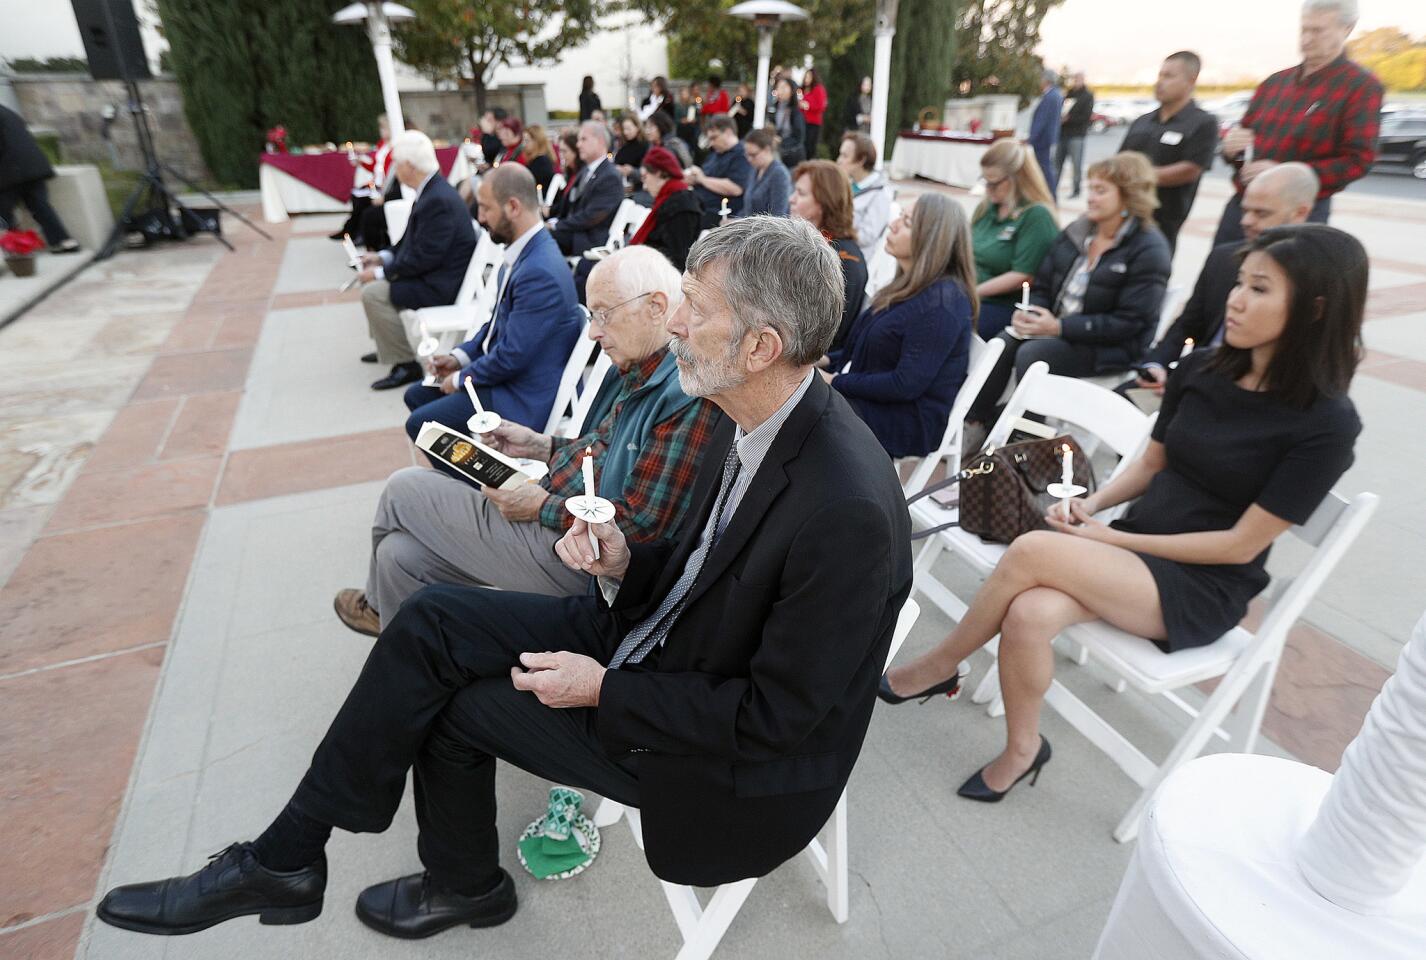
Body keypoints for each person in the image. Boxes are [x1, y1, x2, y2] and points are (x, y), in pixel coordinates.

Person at [95, 216, 913, 943]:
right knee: (432, 622)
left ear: (762, 347)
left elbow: (776, 720)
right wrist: (625, 562)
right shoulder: (750, 414)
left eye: (695, 310)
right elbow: (696, 566)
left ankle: (461, 886)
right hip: (657, 645)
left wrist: (603, 691)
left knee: (458, 711)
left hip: (720, 760)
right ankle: (289, 855)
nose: (678, 327)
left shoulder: (845, 509)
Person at [880, 224, 1364, 805]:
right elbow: (1150, 464)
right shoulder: (1205, 369)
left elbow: (1239, 545)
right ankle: (1024, 749)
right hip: (1133, 547)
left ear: (1315, 308)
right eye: (1240, 283)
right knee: (1031, 613)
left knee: (1032, 550)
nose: (1234, 299)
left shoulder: (1326, 424)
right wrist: (1092, 504)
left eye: (1259, 289)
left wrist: (1108, 543)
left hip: (1201, 583)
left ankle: (937, 666)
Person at [334, 247, 720, 634]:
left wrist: (540, 506)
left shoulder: (682, 393)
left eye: (603, 314)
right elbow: (602, 448)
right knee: (399, 558)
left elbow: (639, 530)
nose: (593, 331)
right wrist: (540, 446)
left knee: (406, 489)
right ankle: (406, 651)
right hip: (566, 529)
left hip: (585, 564)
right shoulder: (644, 369)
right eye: (592, 316)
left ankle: (380, 614)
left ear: (656, 306)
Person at [966, 152, 1171, 427]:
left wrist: (1060, 328)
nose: (1090, 198)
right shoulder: (1079, 231)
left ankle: (1025, 436)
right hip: (1060, 330)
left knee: (1034, 354)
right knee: (1006, 339)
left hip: (1111, 346)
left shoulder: (1149, 249)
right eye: (1090, 189)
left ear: (1129, 196)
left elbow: (1131, 322)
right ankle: (975, 421)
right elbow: (1043, 283)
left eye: (1101, 190)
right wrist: (1032, 312)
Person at [406, 165, 581, 449]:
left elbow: (512, 356)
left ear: (513, 206)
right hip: (512, 377)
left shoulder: (539, 271)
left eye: (486, 208)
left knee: (421, 424)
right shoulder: (526, 251)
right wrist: (459, 358)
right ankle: (468, 477)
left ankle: (484, 488)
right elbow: (497, 326)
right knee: (418, 395)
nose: (480, 217)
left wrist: (462, 379)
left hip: (524, 394)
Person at [1119, 163, 1319, 398]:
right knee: (1086, 416)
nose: (1246, 220)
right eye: (1245, 210)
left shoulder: (1314, 276)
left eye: (1261, 213)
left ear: (1300, 213)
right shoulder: (1224, 259)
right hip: (1188, 380)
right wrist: (1156, 366)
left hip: (1243, 399)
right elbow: (1188, 324)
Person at [1214, 0, 1382, 245]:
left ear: (1347, 28)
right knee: (1219, 276)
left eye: (1317, 30)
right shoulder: (1274, 83)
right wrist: (1231, 149)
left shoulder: (1359, 87)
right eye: (1304, 29)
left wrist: (1285, 175)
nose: (1307, 38)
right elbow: (1244, 148)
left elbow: (1359, 160)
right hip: (1244, 205)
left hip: (1298, 213)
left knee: (1281, 281)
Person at [824, 194, 976, 459]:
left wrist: (836, 381)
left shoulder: (943, 304)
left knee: (802, 408)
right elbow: (867, 349)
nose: (892, 224)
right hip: (879, 402)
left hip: (907, 420)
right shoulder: (907, 287)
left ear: (931, 239)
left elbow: (905, 384)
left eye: (906, 222)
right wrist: (824, 361)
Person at [354, 131, 477, 391]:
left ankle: (405, 364)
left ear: (410, 166)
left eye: (397, 164)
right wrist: (381, 257)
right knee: (373, 287)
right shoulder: (432, 190)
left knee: (373, 293)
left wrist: (379, 273)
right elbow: (409, 243)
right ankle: (388, 345)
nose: (395, 170)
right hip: (434, 274)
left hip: (440, 284)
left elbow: (424, 258)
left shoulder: (437, 198)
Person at [1119, 52, 1219, 254]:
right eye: (1160, 75)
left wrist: (1139, 177)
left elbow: (1191, 169)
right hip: (1122, 215)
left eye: (1169, 76)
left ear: (1191, 80)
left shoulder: (1202, 123)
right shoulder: (1143, 121)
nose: (1160, 82)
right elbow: (1119, 161)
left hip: (1162, 224)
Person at [970, 138, 1059, 339]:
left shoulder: (1036, 216)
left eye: (993, 183)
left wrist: (972, 292)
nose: (987, 189)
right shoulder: (986, 208)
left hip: (1005, 306)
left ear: (1016, 179)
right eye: (985, 181)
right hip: (975, 294)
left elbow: (1023, 275)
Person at [790, 159, 866, 351]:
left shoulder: (844, 261)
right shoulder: (813, 244)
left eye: (801, 193)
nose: (791, 199)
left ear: (825, 203)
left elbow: (822, 335)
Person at [0, 104, 79, 253]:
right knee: (41, 206)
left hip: (11, 170)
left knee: (3, 215)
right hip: (34, 166)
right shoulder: (7, 111)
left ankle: (13, 251)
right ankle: (64, 242)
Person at [548, 121, 623, 258]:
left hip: (587, 239)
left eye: (583, 139)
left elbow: (590, 217)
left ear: (600, 141)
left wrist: (556, 226)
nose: (578, 145)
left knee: (540, 239)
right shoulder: (587, 170)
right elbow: (569, 205)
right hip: (575, 233)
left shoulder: (609, 176)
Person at [629, 146, 702, 270]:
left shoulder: (681, 203)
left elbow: (677, 256)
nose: (645, 186)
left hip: (662, 275)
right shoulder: (669, 198)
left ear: (658, 172)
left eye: (644, 177)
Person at [331, 113, 390, 243]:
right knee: (356, 197)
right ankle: (350, 230)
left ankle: (356, 232)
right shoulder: (382, 145)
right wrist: (361, 162)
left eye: (383, 128)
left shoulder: (393, 147)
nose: (381, 131)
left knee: (362, 202)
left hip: (384, 186)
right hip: (377, 183)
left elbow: (387, 171)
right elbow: (375, 166)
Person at [685, 116, 751, 227]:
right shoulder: (715, 154)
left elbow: (735, 188)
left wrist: (702, 179)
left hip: (718, 213)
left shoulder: (741, 155)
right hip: (699, 204)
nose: (711, 143)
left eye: (714, 138)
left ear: (728, 132)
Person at [837, 132, 892, 249]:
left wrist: (836, 230)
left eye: (844, 156)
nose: (839, 160)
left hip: (853, 257)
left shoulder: (881, 193)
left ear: (861, 160)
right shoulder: (846, 183)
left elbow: (866, 237)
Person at [1056, 72, 1094, 200]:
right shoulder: (1069, 94)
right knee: (1057, 164)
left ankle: (1076, 190)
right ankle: (1053, 188)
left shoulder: (1088, 96)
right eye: (1075, 79)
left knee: (1076, 165)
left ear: (1083, 80)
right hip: (1063, 134)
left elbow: (1086, 116)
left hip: (1077, 135)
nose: (1076, 81)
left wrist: (1070, 119)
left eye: (1079, 79)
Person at [1028, 68, 1064, 197]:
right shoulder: (1055, 94)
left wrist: (1031, 138)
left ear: (1046, 80)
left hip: (1043, 140)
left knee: (1045, 169)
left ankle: (1051, 196)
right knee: (1045, 168)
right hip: (1047, 139)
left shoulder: (1050, 96)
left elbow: (1042, 120)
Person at [740, 129, 792, 218]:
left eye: (753, 155)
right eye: (747, 155)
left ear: (767, 150)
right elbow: (748, 208)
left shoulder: (779, 174)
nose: (749, 159)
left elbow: (778, 215)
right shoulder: (754, 170)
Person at [773, 76, 807, 167]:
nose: (780, 90)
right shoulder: (776, 108)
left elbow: (799, 137)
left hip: (792, 157)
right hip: (780, 154)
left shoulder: (796, 111)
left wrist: (781, 141)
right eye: (778, 87)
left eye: (784, 87)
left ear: (792, 90)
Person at [522, 124, 559, 197]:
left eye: (527, 141)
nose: (524, 144)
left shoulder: (542, 162)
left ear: (537, 141)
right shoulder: (535, 161)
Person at [799, 67, 828, 159]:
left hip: (813, 122)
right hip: (802, 121)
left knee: (810, 146)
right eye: (805, 77)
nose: (806, 79)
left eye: (809, 77)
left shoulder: (818, 89)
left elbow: (821, 106)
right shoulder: (802, 90)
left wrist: (807, 106)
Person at [613, 113, 649, 184]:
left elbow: (646, 171)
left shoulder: (645, 145)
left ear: (637, 127)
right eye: (624, 129)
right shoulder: (624, 144)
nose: (625, 132)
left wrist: (631, 171)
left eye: (628, 129)